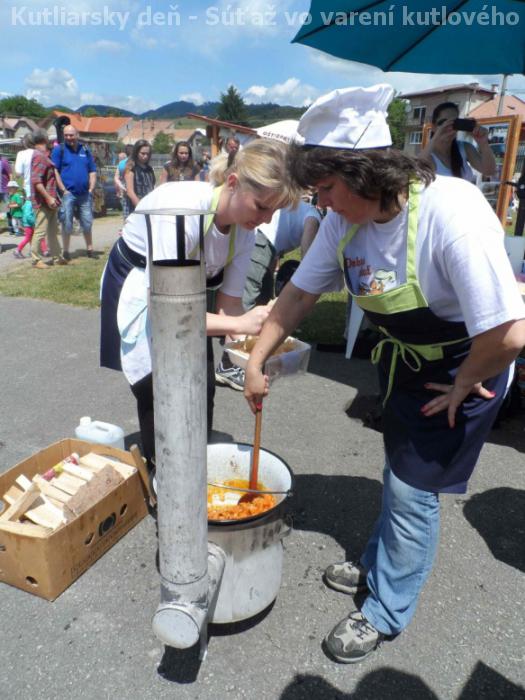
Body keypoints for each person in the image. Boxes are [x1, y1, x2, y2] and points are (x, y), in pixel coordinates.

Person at [243, 85, 525, 664]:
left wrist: (464, 381)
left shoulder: (452, 212)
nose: (321, 204)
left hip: (467, 368)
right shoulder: (343, 222)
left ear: (363, 172)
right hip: (405, 365)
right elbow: (298, 296)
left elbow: (508, 334)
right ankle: (379, 563)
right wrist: (255, 357)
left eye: (326, 188)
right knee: (397, 472)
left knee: (411, 490)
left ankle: (386, 609)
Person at [100, 138, 300, 473]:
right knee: (156, 385)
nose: (266, 220)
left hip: (185, 294)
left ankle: (193, 466)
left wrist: (257, 355)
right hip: (140, 287)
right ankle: (161, 475)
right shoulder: (180, 212)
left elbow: (229, 306)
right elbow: (169, 314)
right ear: (233, 183)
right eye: (262, 207)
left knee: (202, 382)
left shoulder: (245, 231)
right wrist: (240, 325)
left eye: (274, 211)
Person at [215, 202, 321, 390]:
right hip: (261, 240)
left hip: (269, 246)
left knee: (263, 305)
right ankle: (230, 365)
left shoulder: (304, 210)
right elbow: (308, 258)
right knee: (246, 300)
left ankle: (253, 359)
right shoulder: (315, 217)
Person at [51, 125, 97, 260]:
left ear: (77, 135)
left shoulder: (85, 149)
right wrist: (63, 190)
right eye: (66, 135)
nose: (68, 138)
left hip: (85, 194)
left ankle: (90, 248)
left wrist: (91, 189)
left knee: (87, 222)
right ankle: (66, 251)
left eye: (71, 135)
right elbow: (55, 171)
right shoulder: (59, 150)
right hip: (68, 194)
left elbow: (92, 170)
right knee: (66, 223)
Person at [420, 102, 496, 182]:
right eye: (443, 122)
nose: (449, 127)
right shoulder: (429, 154)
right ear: (433, 127)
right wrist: (437, 136)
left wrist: (483, 143)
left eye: (454, 123)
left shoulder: (465, 148)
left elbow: (489, 171)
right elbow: (417, 168)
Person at [30, 129, 67, 269]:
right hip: (43, 202)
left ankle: (57, 257)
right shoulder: (39, 156)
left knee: (52, 232)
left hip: (49, 202)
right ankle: (36, 260)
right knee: (40, 231)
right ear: (44, 139)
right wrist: (49, 198)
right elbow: (36, 181)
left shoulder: (43, 155)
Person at [123, 140, 155, 213]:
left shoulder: (149, 169)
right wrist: (140, 206)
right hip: (133, 207)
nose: (145, 156)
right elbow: (130, 191)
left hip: (148, 206)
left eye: (148, 154)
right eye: (142, 153)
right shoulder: (130, 167)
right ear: (136, 152)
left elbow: (151, 187)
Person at [15, 132, 35, 198]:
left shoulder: (21, 154)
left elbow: (18, 173)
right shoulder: (40, 152)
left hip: (28, 187)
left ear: (25, 142)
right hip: (41, 187)